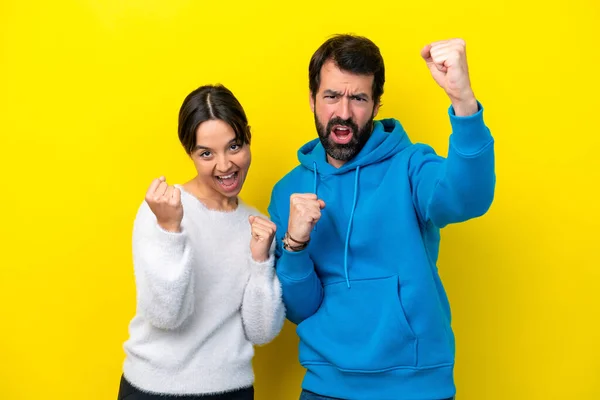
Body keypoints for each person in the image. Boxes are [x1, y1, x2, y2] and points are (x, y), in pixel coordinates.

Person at [267, 34, 496, 400]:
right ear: (312, 99)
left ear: (375, 105)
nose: (343, 113)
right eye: (331, 96)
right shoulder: (289, 192)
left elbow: (468, 199)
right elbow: (299, 308)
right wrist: (295, 245)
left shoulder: (411, 166)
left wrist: (463, 102)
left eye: (358, 98)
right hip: (325, 388)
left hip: (415, 387)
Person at [118, 84, 285, 400]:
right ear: (190, 153)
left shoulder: (256, 224)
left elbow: (262, 332)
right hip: (155, 390)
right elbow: (167, 316)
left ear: (248, 136)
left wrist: (260, 263)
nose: (224, 166)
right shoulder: (165, 209)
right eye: (206, 153)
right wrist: (171, 231)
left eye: (234, 146)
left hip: (232, 390)